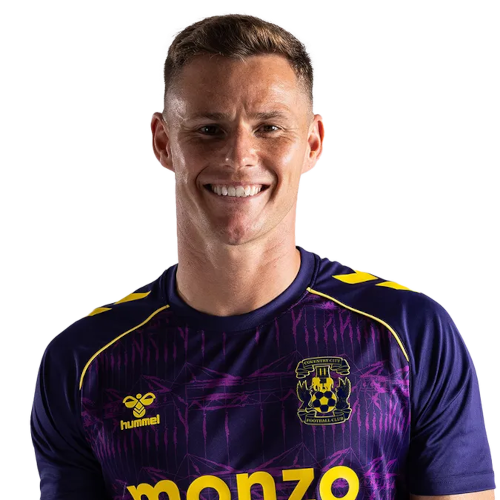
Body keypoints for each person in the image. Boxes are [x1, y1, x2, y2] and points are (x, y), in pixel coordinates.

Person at [30, 11, 495, 500]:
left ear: (313, 142)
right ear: (163, 142)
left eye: (269, 127)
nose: (239, 156)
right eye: (208, 129)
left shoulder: (408, 332)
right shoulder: (84, 361)